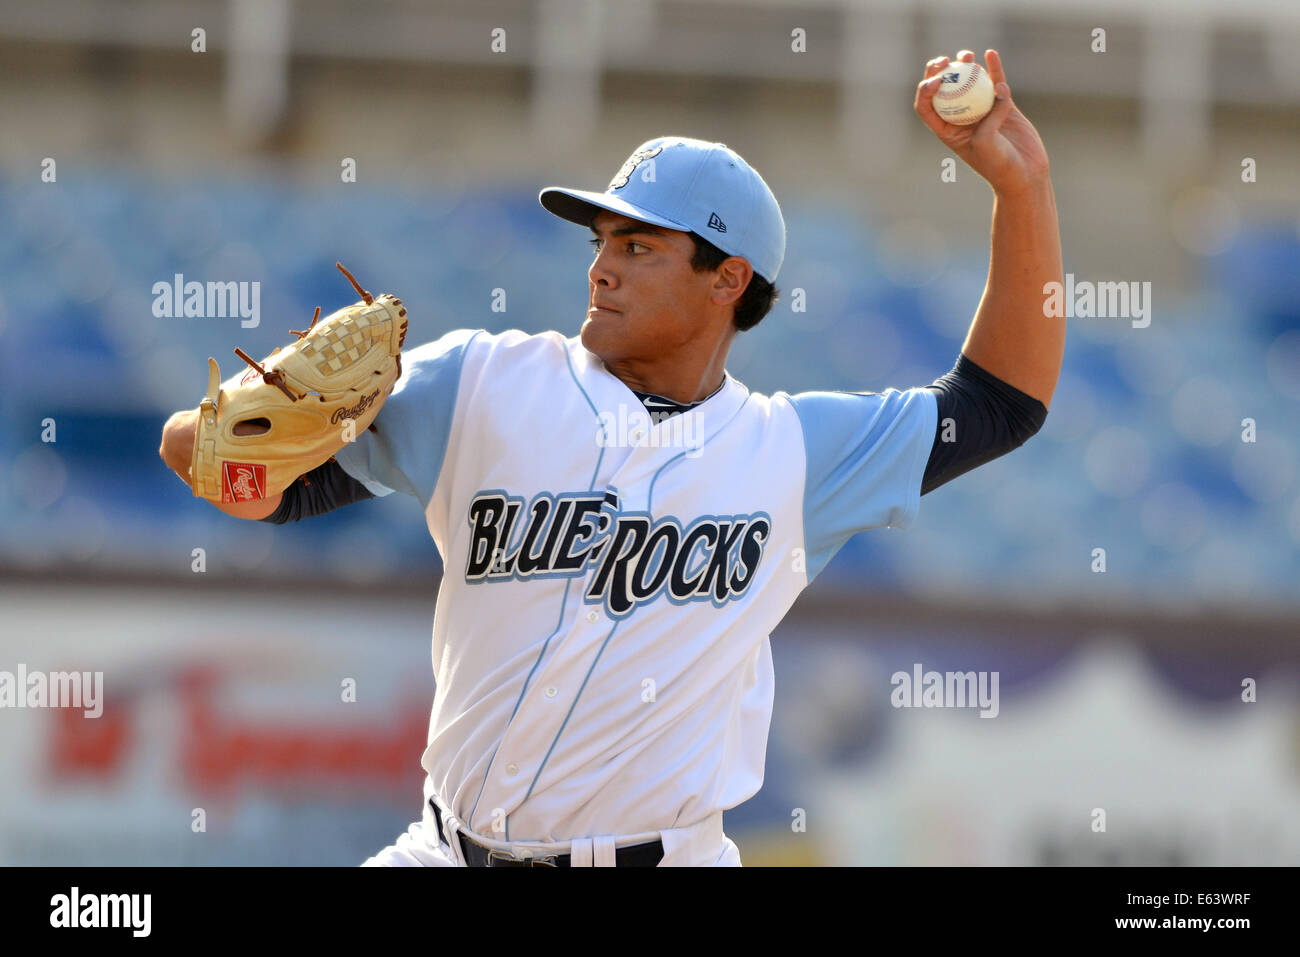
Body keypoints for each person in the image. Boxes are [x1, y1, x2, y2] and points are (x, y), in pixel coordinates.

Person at [160, 49, 1062, 866]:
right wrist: (239, 430)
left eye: (638, 246)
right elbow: (246, 487)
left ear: (728, 279)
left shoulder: (792, 452)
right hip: (441, 851)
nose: (602, 267)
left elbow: (998, 404)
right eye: (600, 242)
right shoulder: (481, 383)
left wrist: (1023, 193)